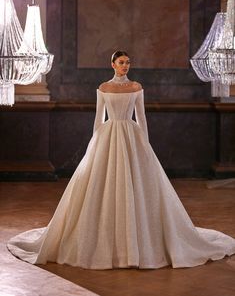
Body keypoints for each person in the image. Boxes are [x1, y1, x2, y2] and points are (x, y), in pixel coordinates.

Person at [7, 50, 235, 269]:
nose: (125, 66)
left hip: (131, 136)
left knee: (136, 183)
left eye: (128, 62)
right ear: (113, 64)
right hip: (107, 137)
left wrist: (145, 145)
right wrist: (93, 145)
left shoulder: (136, 87)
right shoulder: (103, 88)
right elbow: (99, 119)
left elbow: (141, 118)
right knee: (102, 185)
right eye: (121, 62)